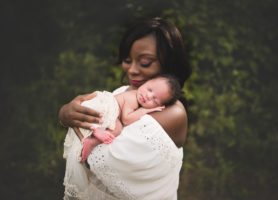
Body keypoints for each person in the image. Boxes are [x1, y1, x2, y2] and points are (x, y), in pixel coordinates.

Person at [60, 17, 191, 200]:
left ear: (169, 63)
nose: (131, 70)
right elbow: (90, 107)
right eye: (127, 60)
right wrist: (67, 112)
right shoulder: (125, 92)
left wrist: (78, 125)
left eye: (145, 63)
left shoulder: (172, 113)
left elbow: (101, 160)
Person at [71, 75, 181, 162]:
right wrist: (143, 111)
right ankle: (93, 140)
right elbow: (126, 119)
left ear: (158, 106)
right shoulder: (133, 98)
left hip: (102, 104)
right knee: (118, 128)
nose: (148, 96)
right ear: (146, 82)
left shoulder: (134, 95)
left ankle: (94, 130)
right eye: (149, 89)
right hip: (106, 108)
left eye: (154, 100)